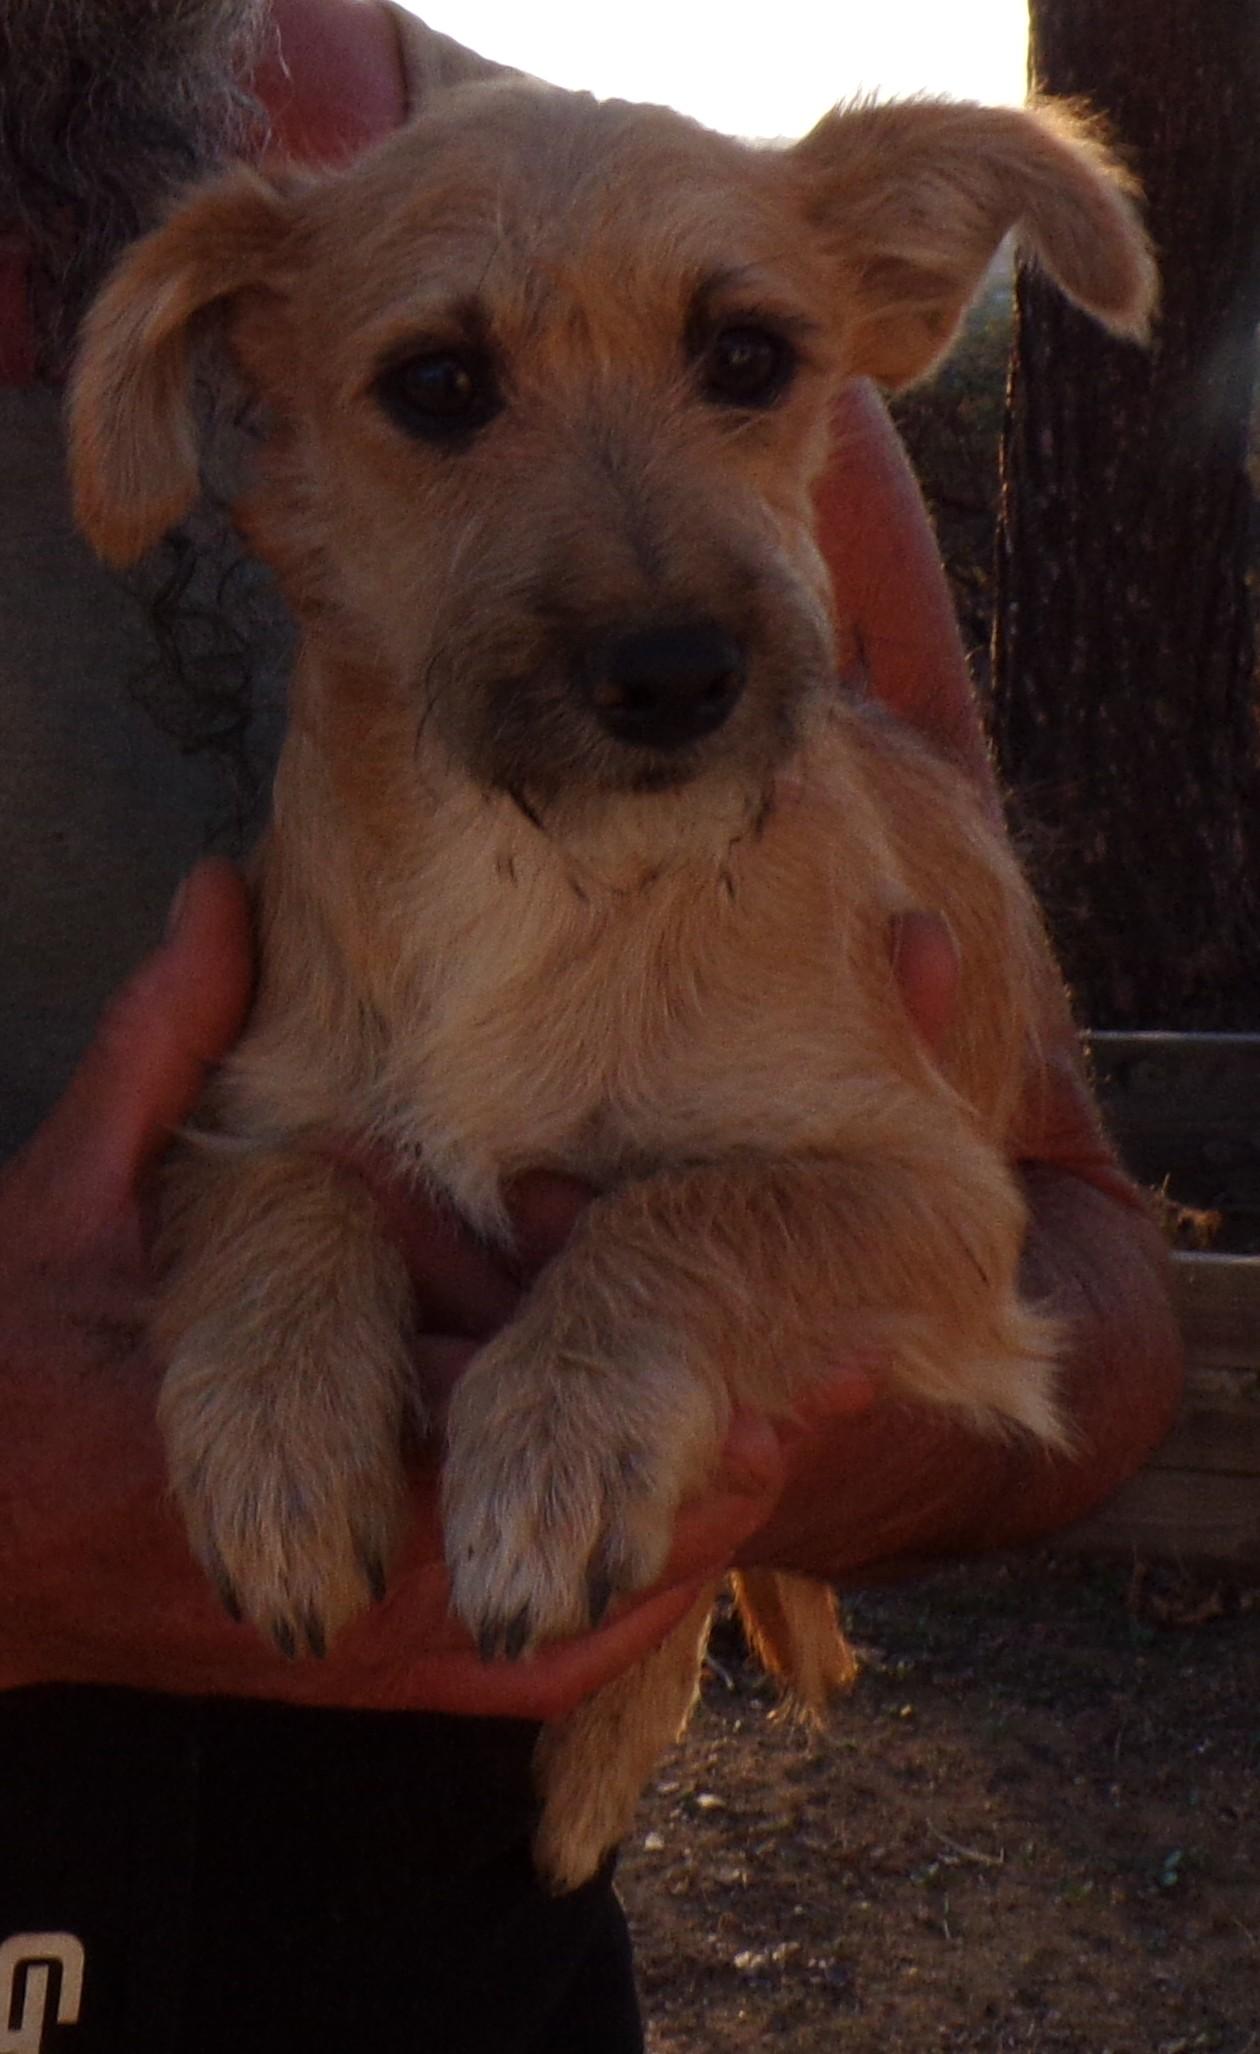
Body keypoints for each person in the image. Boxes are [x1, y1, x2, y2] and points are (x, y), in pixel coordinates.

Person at [0, 3, 1183, 2048]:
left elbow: (1060, 1270)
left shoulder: (690, 222)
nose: (654, 588)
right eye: (450, 388)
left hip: (435, 1930)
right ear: (235, 400)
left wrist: (705, 1375)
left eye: (740, 368)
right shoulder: (305, 282)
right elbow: (290, 1152)